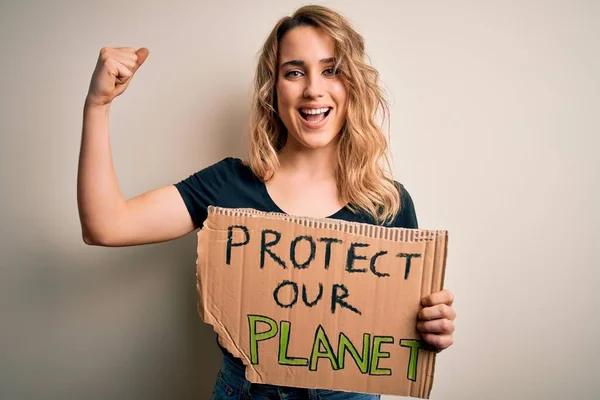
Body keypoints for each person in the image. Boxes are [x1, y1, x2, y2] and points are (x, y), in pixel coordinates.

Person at [77, 5, 456, 400]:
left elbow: (403, 335)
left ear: (353, 85)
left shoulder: (388, 204)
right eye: (294, 72)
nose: (313, 89)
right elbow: (105, 225)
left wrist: (431, 329)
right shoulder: (228, 185)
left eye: (331, 70)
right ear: (273, 88)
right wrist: (98, 106)